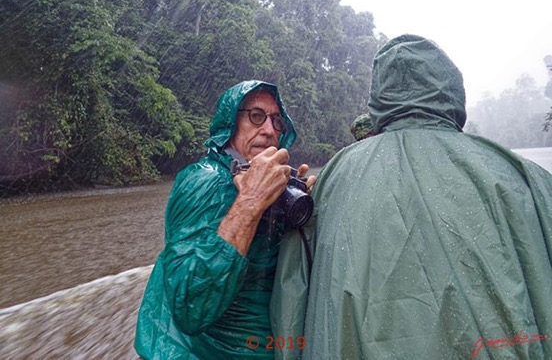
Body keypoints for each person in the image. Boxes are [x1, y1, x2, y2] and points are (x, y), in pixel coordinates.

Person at [271, 35, 552, 359]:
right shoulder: (522, 177)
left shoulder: (333, 179)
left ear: (379, 99)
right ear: (452, 91)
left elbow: (292, 298)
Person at [135, 80, 316, 360]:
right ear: (231, 124)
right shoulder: (204, 181)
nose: (268, 130)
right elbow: (190, 308)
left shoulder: (273, 183)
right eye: (256, 116)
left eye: (277, 121)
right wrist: (250, 204)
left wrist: (294, 210)